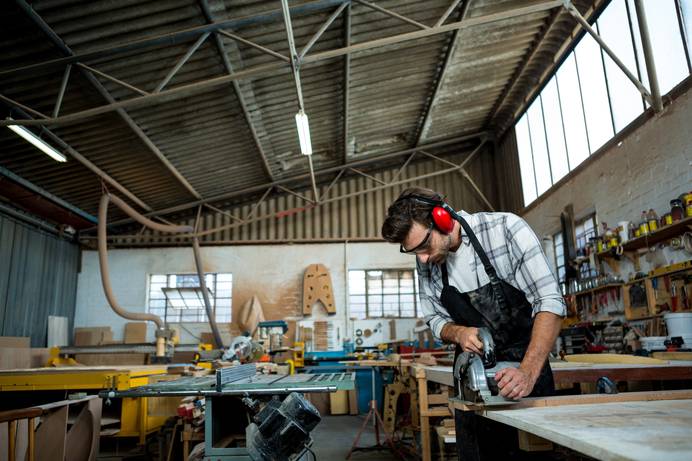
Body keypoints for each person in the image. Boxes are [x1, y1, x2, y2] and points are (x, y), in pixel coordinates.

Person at [381, 187, 565, 460]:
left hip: (526, 370)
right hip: (471, 379)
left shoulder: (506, 230)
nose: (422, 258)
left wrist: (527, 372)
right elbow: (434, 318)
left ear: (443, 218)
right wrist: (458, 332)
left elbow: (549, 301)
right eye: (413, 252)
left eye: (424, 246)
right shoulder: (428, 260)